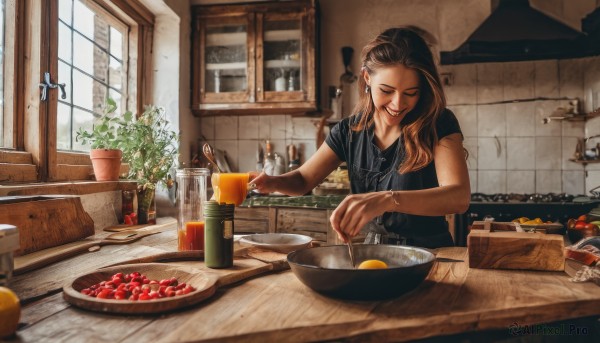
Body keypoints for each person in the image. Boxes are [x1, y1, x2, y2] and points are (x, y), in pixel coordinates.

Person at [251, 27, 470, 249]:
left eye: (410, 93)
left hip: (432, 255)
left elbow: (459, 197)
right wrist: (272, 182)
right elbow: (303, 180)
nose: (398, 104)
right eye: (386, 90)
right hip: (374, 254)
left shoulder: (438, 122)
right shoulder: (348, 131)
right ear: (367, 78)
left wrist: (387, 199)